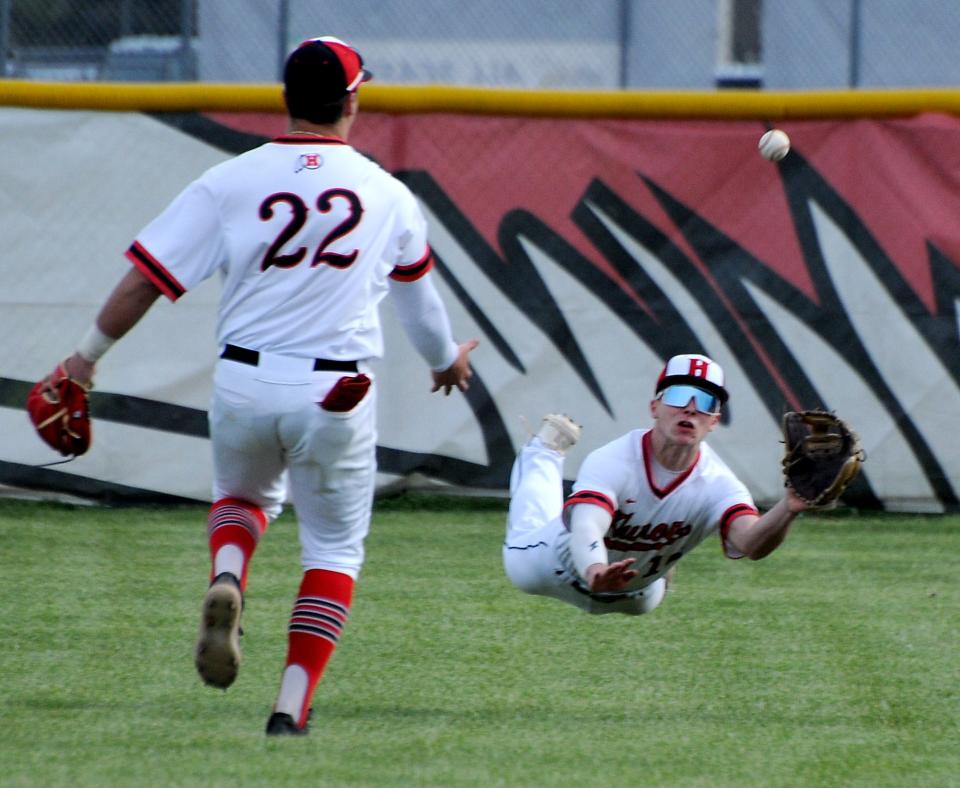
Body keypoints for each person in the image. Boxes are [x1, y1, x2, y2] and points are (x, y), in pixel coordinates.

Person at [48, 35, 478, 735]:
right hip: (336, 393)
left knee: (244, 498)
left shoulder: (232, 181)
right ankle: (289, 709)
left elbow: (145, 282)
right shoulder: (389, 194)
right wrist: (446, 362)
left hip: (245, 380)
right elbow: (422, 313)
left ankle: (228, 572)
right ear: (352, 99)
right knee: (333, 551)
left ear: (285, 100)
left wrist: (83, 359)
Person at [503, 353, 807, 616]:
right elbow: (587, 526)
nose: (690, 409)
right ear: (654, 407)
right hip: (552, 568)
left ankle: (657, 571)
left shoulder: (719, 483)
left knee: (648, 594)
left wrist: (789, 507)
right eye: (678, 395)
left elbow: (751, 543)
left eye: (704, 401)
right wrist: (595, 569)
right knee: (531, 519)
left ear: (714, 421)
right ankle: (545, 451)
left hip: (636, 595)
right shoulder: (615, 459)